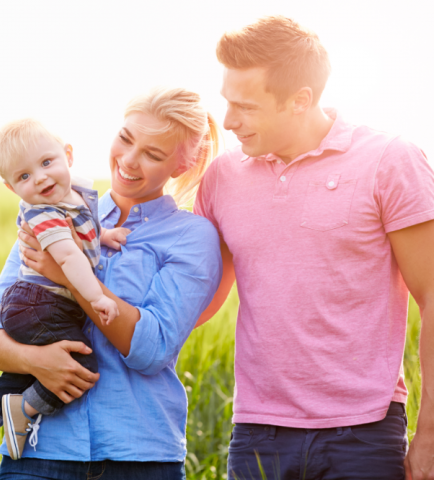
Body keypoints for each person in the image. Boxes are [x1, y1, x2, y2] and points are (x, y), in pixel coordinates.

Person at [193, 15, 434, 480]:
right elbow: (193, 301)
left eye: (245, 106)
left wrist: (431, 433)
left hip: (364, 433)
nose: (227, 121)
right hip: (256, 431)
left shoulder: (390, 161)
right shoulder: (222, 177)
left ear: (300, 100)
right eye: (227, 101)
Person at [0, 87, 223, 480]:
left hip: (137, 459)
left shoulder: (191, 237)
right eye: (125, 138)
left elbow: (151, 349)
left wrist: (62, 275)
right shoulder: (50, 213)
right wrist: (36, 363)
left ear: (181, 164)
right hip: (38, 454)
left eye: (153, 154)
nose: (130, 161)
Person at [0, 119, 130, 480]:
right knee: (81, 363)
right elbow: (67, 259)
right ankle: (24, 411)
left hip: (34, 304)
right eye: (24, 177)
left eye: (47, 163)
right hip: (38, 303)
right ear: (10, 187)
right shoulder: (43, 213)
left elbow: (82, 233)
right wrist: (96, 298)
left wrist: (104, 235)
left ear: (68, 155)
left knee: (37, 364)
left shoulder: (73, 196)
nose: (41, 179)